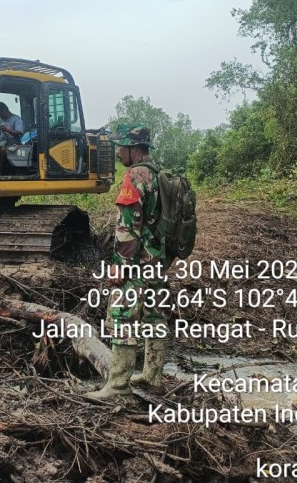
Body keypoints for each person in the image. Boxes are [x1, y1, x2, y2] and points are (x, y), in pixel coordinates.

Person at [86, 123, 170, 400]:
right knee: (155, 316)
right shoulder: (161, 174)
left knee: (123, 317)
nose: (118, 152)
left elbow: (128, 226)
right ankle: (152, 376)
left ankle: (118, 386)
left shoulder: (135, 177)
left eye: (121, 146)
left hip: (137, 263)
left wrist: (119, 264)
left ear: (134, 149)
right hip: (158, 262)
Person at [0, 102, 24, 172]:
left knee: (2, 149)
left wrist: (7, 130)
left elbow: (19, 133)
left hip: (14, 144)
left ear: (5, 110)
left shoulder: (17, 119)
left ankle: (0, 168)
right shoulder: (2, 119)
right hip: (2, 142)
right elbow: (0, 132)